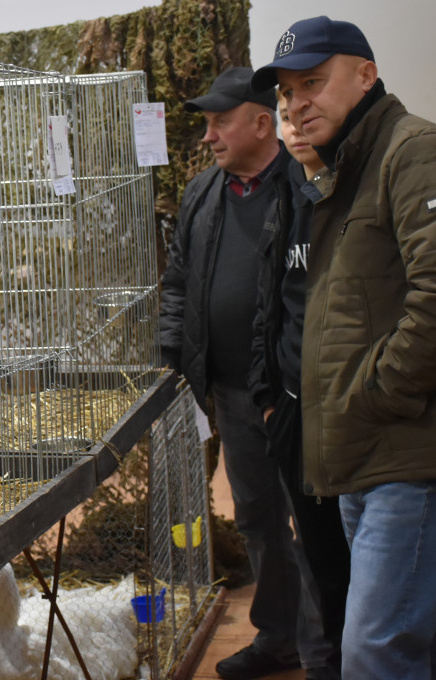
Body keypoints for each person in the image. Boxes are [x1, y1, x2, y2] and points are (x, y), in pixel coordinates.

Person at [253, 16, 436, 678]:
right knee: (392, 638)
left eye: (312, 82)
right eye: (286, 92)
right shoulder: (340, 172)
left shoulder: (411, 152)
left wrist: (373, 394)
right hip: (356, 453)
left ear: (365, 74)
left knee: (373, 648)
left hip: (399, 453)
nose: (297, 103)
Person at [159, 67, 305, 680]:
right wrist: (171, 356)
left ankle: (333, 642)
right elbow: (178, 282)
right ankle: (280, 638)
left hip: (298, 395)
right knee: (258, 519)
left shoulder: (305, 186)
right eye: (207, 123)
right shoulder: (202, 193)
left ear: (262, 124)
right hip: (232, 392)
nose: (209, 135)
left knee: (317, 519)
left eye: (221, 122)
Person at [247, 92, 349, 680]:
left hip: (354, 414)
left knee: (367, 568)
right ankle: (326, 664)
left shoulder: (360, 185)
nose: (296, 127)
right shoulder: (286, 191)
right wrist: (269, 398)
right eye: (287, 117)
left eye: (302, 115)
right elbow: (272, 300)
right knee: (320, 557)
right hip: (293, 412)